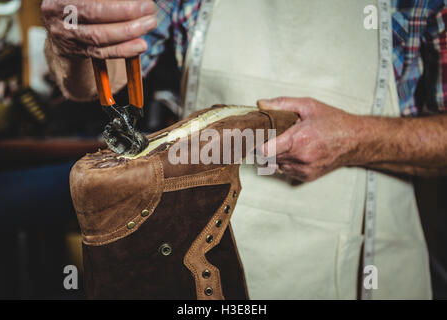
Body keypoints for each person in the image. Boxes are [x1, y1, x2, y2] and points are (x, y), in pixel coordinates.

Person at [43, 0, 447, 299]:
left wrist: (356, 139)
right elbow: (93, 82)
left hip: (366, 262)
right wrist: (75, 38)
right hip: (198, 262)